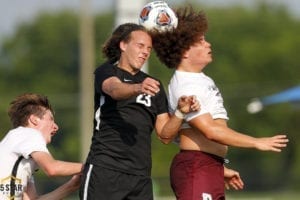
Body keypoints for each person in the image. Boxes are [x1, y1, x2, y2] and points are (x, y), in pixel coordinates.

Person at [150, 7, 289, 200]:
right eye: (200, 41)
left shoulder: (201, 80)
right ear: (184, 52)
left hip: (209, 167)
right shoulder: (187, 84)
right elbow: (211, 131)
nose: (208, 44)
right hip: (196, 168)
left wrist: (218, 167)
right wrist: (256, 142)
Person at [79, 23, 200, 200]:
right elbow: (114, 89)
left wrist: (181, 113)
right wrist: (137, 88)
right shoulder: (107, 71)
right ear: (123, 45)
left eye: (149, 49)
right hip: (105, 170)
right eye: (140, 46)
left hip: (140, 178)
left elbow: (165, 135)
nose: (145, 52)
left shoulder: (154, 84)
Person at [0, 93, 83, 200]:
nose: (56, 126)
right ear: (34, 119)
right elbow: (52, 168)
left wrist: (72, 186)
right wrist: (91, 167)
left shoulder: (21, 155)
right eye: (51, 119)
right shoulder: (29, 133)